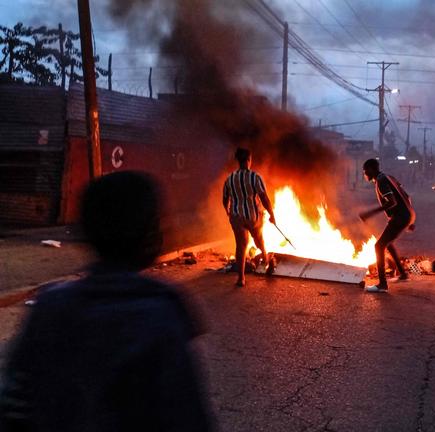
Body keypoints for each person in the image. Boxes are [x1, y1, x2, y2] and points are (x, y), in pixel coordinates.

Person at [0, 171, 212, 432]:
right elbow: (187, 418)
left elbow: (14, 408)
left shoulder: (49, 306)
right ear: (149, 238)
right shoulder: (161, 316)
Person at [358, 158, 416, 293]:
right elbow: (407, 196)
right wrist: (410, 218)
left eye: (365, 171)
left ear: (371, 169)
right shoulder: (388, 177)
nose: (365, 174)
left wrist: (370, 213)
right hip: (405, 216)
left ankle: (382, 285)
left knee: (378, 246)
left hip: (400, 217)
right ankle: (403, 274)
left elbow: (392, 202)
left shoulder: (381, 181)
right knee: (388, 243)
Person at [223, 147, 276, 287]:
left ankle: (241, 279)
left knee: (241, 246)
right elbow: (264, 197)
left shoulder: (230, 178)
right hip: (253, 216)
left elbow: (225, 198)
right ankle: (267, 261)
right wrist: (271, 214)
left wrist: (228, 211)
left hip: (236, 216)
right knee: (259, 241)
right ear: (248, 160)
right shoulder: (255, 177)